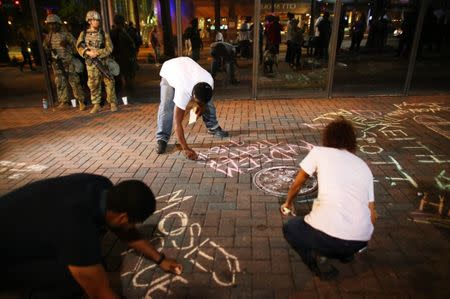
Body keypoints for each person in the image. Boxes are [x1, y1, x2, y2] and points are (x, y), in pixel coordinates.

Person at [0, 173, 182, 298]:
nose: (132, 227)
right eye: (132, 222)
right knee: (75, 279)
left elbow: (125, 231)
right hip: (6, 255)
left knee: (91, 261)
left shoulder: (102, 186)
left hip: (19, 218)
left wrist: (160, 259)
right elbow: (100, 293)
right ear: (123, 217)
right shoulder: (77, 229)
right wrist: (91, 275)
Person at [281, 117, 376, 280]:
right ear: (351, 141)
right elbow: (373, 215)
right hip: (360, 240)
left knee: (290, 228)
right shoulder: (363, 165)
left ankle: (318, 262)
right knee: (344, 242)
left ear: (328, 137)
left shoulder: (319, 152)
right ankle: (346, 254)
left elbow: (297, 184)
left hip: (328, 238)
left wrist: (288, 203)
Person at [156, 56, 229, 159]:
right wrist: (185, 148)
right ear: (193, 96)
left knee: (209, 103)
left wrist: (195, 114)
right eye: (197, 102)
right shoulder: (183, 91)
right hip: (170, 70)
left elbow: (203, 102)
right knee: (166, 107)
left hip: (186, 65)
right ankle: (162, 138)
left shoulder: (209, 81)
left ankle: (212, 126)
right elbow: (177, 123)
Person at [76, 10, 118, 113]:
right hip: (91, 64)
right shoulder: (84, 34)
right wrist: (88, 52)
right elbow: (78, 47)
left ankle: (112, 103)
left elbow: (110, 48)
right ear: (90, 21)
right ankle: (96, 104)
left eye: (99, 20)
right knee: (93, 84)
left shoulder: (104, 34)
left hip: (103, 63)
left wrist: (98, 52)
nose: (98, 22)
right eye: (95, 20)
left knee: (109, 81)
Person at [43, 14, 85, 110]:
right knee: (60, 83)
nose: (52, 26)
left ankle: (81, 101)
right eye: (50, 24)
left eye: (54, 24)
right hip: (57, 64)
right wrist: (47, 47)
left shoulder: (67, 35)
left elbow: (77, 48)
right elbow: (45, 48)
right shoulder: (49, 36)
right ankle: (63, 102)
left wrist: (68, 46)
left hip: (68, 63)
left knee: (74, 82)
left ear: (58, 24)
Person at [110, 14, 137, 94]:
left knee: (119, 76)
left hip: (119, 57)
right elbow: (133, 44)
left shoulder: (114, 32)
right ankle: (128, 91)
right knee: (126, 76)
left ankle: (124, 91)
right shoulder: (127, 31)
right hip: (124, 57)